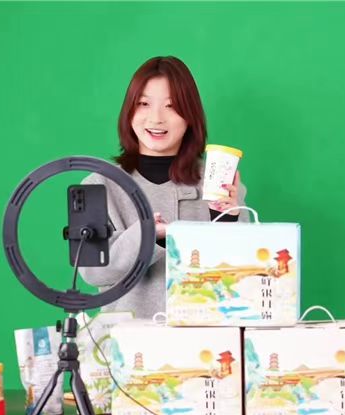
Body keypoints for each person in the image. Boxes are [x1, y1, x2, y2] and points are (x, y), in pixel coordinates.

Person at [79, 56, 249, 318]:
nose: (156, 118)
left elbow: (243, 275)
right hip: (126, 338)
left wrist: (228, 218)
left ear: (190, 116)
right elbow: (93, 272)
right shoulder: (99, 184)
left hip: (206, 336)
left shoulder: (217, 182)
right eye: (144, 104)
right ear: (129, 112)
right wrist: (148, 234)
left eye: (171, 106)